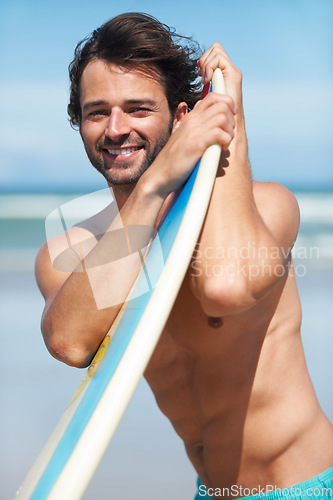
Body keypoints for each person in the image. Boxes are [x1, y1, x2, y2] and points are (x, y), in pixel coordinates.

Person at [35, 12, 333, 499]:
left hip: (307, 485)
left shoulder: (269, 207)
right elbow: (70, 343)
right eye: (97, 112)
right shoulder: (70, 251)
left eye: (137, 109)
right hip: (211, 491)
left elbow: (225, 286)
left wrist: (227, 121)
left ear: (180, 118)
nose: (115, 129)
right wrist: (153, 187)